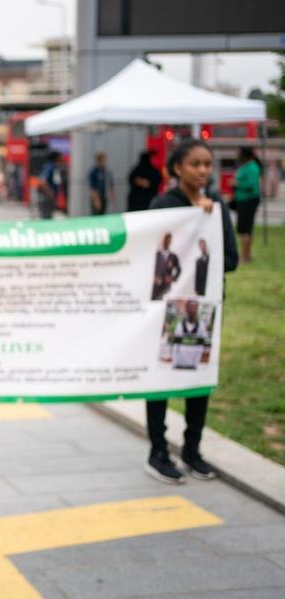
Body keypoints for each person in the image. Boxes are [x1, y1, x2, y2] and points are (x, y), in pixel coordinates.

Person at [144, 139, 237, 485]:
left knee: (198, 379)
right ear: (177, 168)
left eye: (207, 164)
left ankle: (192, 450)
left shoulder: (217, 210)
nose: (202, 171)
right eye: (195, 164)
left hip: (203, 310)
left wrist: (207, 223)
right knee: (161, 378)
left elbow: (230, 260)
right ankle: (157, 451)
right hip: (169, 311)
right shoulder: (163, 206)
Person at [231, 146, 261, 262]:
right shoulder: (248, 166)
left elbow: (251, 184)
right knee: (247, 229)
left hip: (248, 200)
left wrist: (236, 183)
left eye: (239, 153)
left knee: (245, 229)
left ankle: (244, 256)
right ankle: (246, 255)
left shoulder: (252, 167)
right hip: (243, 200)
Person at [170, 300, 211, 370]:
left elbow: (203, 346)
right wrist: (175, 362)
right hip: (179, 364)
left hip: (193, 365)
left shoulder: (201, 326)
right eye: (190, 308)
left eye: (194, 308)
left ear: (197, 309)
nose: (192, 310)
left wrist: (196, 363)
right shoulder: (180, 326)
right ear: (186, 309)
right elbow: (175, 346)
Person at [151, 232, 182, 300]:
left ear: (170, 241)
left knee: (163, 305)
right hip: (155, 286)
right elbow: (148, 268)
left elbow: (179, 269)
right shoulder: (156, 255)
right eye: (165, 239)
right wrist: (152, 277)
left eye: (169, 240)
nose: (167, 241)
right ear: (162, 240)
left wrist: (173, 278)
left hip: (166, 287)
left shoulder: (173, 256)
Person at [38, 151, 63, 219]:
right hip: (47, 195)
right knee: (46, 215)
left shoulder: (54, 166)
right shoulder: (49, 166)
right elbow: (43, 181)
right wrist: (49, 192)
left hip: (50, 194)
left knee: (49, 214)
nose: (62, 159)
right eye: (60, 157)